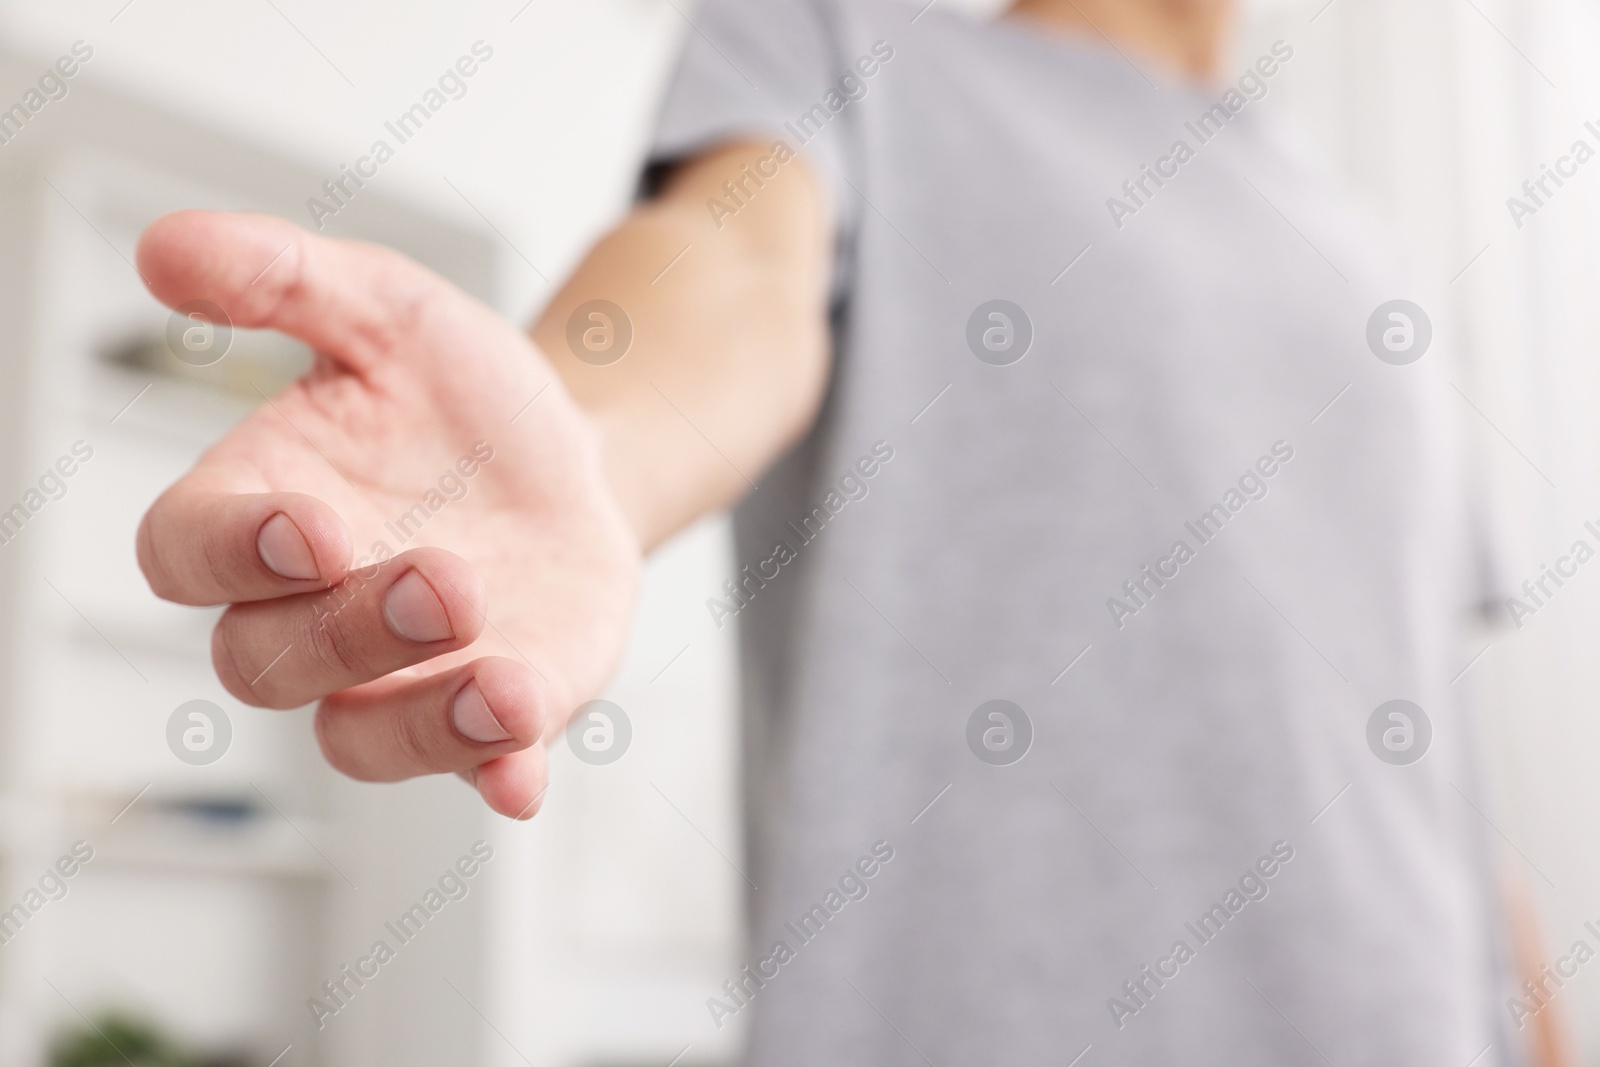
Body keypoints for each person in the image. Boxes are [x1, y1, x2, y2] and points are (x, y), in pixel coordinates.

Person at [132, 0, 1520, 1062]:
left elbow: (1438, 761)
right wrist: (581, 443)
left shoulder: (1370, 248)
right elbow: (732, 267)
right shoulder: (848, 43)